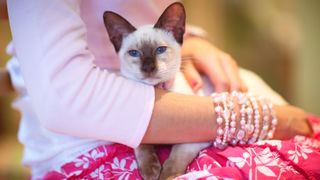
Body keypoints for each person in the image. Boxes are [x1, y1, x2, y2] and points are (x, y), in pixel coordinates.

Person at [4, 0, 314, 179]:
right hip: (84, 123)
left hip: (192, 99)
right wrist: (258, 116)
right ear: (117, 43)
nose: (148, 66)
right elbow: (65, 96)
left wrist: (190, 40)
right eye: (138, 57)